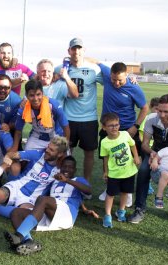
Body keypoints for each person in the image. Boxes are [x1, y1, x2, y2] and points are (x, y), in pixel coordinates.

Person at [4, 156, 91, 255]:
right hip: (53, 212)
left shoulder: (78, 180)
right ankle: (29, 242)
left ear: (75, 170)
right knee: (16, 213)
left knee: (43, 199)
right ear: (60, 168)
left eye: (70, 167)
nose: (67, 169)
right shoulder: (55, 181)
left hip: (67, 214)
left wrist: (67, 180)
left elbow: (88, 191)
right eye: (64, 166)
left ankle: (18, 236)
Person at [129, 94, 168, 224]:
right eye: (159, 110)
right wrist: (153, 154)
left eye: (166, 112)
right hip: (155, 152)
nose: (162, 115)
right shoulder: (151, 119)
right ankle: (139, 208)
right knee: (143, 172)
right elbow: (145, 144)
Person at [96, 61, 148, 206]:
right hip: (106, 128)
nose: (116, 83)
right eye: (114, 79)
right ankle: (109, 188)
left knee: (127, 160)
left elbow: (145, 108)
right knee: (107, 158)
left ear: (127, 75)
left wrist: (135, 127)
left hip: (126, 129)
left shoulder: (134, 88)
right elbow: (95, 61)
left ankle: (127, 192)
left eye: (120, 80)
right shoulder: (107, 74)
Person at [54, 38, 103, 185]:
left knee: (89, 153)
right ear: (69, 51)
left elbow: (111, 79)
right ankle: (63, 180)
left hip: (89, 118)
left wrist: (130, 78)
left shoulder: (93, 69)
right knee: (66, 150)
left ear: (84, 50)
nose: (76, 52)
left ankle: (85, 182)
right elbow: (46, 77)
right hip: (68, 118)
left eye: (79, 48)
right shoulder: (60, 69)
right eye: (73, 49)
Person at [100, 113, 140, 228]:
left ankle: (121, 211)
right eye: (111, 125)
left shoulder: (125, 134)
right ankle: (107, 215)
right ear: (104, 127)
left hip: (129, 171)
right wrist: (106, 172)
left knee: (125, 192)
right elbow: (105, 158)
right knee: (110, 194)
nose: (114, 127)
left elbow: (132, 145)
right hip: (114, 173)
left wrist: (136, 157)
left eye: (116, 124)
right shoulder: (104, 142)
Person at [13, 79, 70, 151]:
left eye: (38, 94)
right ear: (26, 95)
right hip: (37, 137)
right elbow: (18, 132)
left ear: (42, 93)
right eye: (31, 95)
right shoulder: (23, 109)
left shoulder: (53, 105)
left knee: (62, 160)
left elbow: (66, 127)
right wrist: (14, 149)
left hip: (56, 137)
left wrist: (65, 147)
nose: (35, 99)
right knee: (26, 158)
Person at [139, 97, 160, 195]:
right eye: (156, 108)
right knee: (146, 167)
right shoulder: (147, 119)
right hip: (146, 149)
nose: (157, 111)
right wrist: (143, 145)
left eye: (159, 109)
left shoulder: (159, 120)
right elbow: (140, 134)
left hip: (155, 149)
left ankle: (150, 184)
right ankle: (147, 186)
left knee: (153, 167)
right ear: (151, 107)